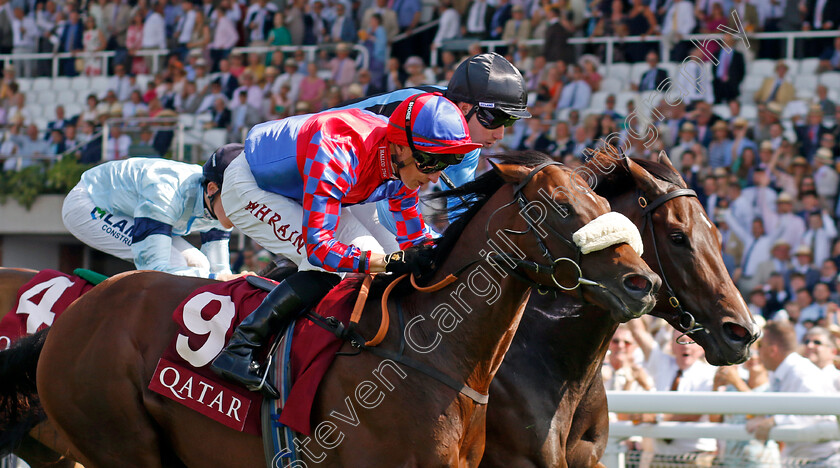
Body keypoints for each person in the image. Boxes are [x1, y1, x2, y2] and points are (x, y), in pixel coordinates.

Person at [210, 93, 481, 394]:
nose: (435, 177)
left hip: (305, 183)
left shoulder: (401, 161)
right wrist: (387, 263)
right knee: (343, 266)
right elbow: (320, 249)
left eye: (448, 162)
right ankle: (240, 348)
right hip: (250, 186)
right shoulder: (341, 150)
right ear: (402, 146)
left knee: (382, 255)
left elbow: (414, 239)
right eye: (433, 162)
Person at [330, 52, 530, 250]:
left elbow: (460, 207)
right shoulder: (422, 120)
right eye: (496, 119)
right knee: (381, 257)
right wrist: (439, 246)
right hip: (321, 170)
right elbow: (391, 216)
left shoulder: (468, 131)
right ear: (465, 107)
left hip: (356, 185)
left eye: (509, 121)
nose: (500, 135)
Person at [61, 145, 244, 280]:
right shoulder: (166, 193)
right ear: (211, 188)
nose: (242, 210)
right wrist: (218, 278)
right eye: (236, 200)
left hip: (127, 207)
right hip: (88, 204)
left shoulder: (217, 199)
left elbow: (221, 272)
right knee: (176, 265)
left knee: (200, 265)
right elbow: (154, 269)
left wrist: (231, 279)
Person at [747, 320, 840, 463]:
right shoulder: (780, 373)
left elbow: (815, 411)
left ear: (773, 350)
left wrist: (774, 421)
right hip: (803, 459)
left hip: (823, 460)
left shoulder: (802, 373)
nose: (758, 353)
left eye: (760, 346)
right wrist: (766, 418)